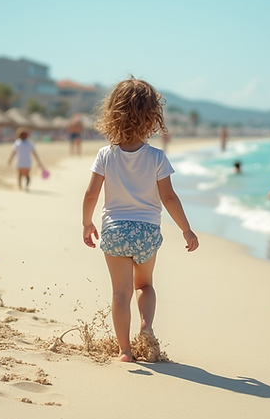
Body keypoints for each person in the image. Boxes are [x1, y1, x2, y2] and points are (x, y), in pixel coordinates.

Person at [81, 78, 199, 362]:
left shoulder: (105, 155)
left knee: (120, 294)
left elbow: (91, 194)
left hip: (115, 231)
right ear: (151, 118)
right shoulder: (157, 157)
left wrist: (87, 223)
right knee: (144, 286)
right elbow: (169, 198)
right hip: (146, 232)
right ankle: (145, 327)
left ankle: (125, 352)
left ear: (113, 114)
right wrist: (186, 230)